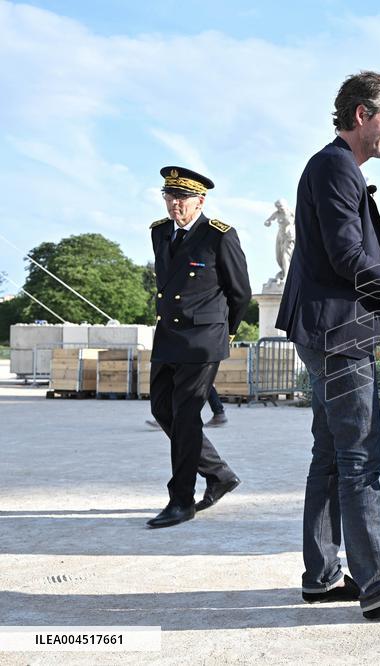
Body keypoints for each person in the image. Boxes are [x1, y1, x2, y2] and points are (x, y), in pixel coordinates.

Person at [275, 70, 380, 621]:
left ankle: (324, 576)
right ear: (361, 115)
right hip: (338, 333)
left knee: (330, 455)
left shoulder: (333, 166)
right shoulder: (336, 166)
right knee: (360, 457)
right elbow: (349, 257)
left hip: (326, 329)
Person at [146, 166, 249, 528]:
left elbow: (240, 293)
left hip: (202, 340)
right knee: (162, 409)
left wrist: (224, 333)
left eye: (182, 198)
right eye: (169, 196)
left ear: (200, 201)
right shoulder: (159, 232)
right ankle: (219, 475)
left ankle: (181, 500)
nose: (174, 203)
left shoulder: (219, 236)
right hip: (168, 336)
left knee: (186, 416)